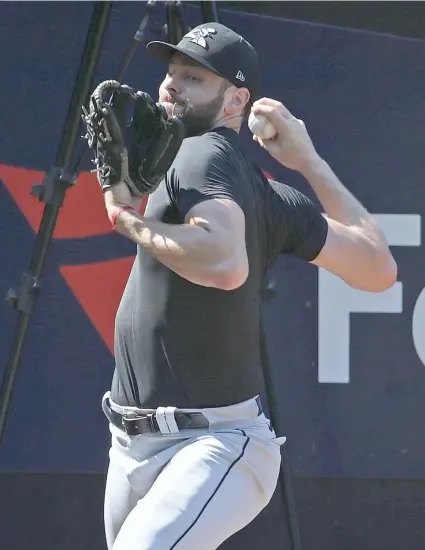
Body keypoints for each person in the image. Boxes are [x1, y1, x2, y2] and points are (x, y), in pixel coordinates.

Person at [99, 21, 397, 550]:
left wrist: (125, 217)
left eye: (194, 78)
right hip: (137, 441)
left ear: (236, 99)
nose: (172, 86)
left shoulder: (205, 152)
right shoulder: (266, 191)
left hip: (211, 442)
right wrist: (308, 162)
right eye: (172, 72)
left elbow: (224, 265)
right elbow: (378, 267)